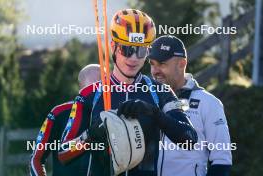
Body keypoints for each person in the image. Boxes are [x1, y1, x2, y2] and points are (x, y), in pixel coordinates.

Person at [58, 9, 198, 176]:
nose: (133, 58)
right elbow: (63, 154)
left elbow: (190, 139)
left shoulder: (160, 92)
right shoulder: (89, 95)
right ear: (113, 46)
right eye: (126, 49)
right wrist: (89, 136)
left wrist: (155, 114)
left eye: (140, 51)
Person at [148, 35, 232, 176]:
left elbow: (222, 161)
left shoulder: (209, 103)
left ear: (182, 63)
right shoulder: (145, 98)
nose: (155, 71)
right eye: (152, 63)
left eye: (162, 64)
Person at [30, 64, 101, 176]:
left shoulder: (115, 114)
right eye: (92, 89)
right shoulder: (59, 113)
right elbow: (36, 159)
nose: (96, 95)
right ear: (81, 90)